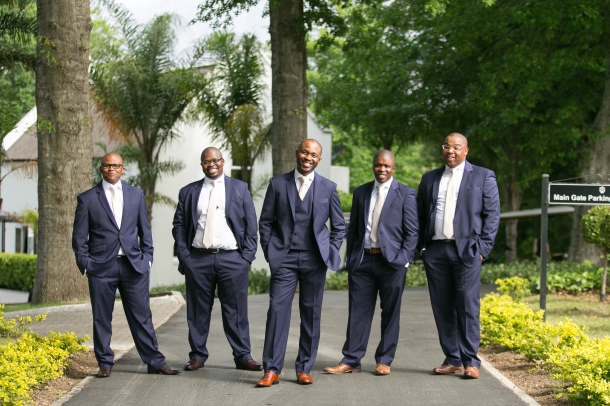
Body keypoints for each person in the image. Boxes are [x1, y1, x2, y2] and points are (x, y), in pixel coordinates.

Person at [72, 153, 180, 378]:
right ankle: (104, 362)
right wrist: (87, 264)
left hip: (133, 266)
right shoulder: (88, 199)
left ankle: (155, 361)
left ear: (123, 169)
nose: (111, 169)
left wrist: (147, 257)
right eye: (107, 166)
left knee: (142, 315)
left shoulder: (135, 194)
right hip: (101, 268)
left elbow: (144, 230)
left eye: (116, 166)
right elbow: (79, 239)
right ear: (101, 169)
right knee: (102, 316)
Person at [256, 139, 346, 387]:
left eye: (314, 154)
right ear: (297, 153)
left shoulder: (328, 187)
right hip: (284, 259)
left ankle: (304, 367)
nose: (308, 157)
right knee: (277, 312)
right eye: (305, 152)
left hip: (314, 260)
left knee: (311, 314)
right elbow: (265, 222)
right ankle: (272, 370)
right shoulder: (277, 184)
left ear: (319, 159)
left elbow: (339, 226)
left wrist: (330, 250)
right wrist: (269, 250)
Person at [324, 150, 418, 376]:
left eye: (386, 166)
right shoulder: (361, 192)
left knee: (390, 313)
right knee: (358, 312)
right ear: (373, 166)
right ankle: (351, 360)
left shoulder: (405, 193)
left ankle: (384, 360)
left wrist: (404, 260)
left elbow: (412, 232)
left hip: (392, 264)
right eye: (378, 165)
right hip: (363, 261)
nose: (382, 169)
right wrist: (352, 258)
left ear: (393, 168)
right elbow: (354, 228)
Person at [416, 133, 500, 379]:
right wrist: (422, 248)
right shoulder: (429, 178)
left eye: (455, 147)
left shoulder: (483, 176)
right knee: (442, 307)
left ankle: (471, 361)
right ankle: (452, 359)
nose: (450, 151)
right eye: (446, 146)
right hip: (436, 251)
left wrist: (482, 248)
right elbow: (420, 215)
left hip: (468, 251)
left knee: (467, 306)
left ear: (465, 150)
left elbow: (492, 215)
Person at [172, 147, 262, 372]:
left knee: (236, 311)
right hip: (198, 259)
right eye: (206, 161)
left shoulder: (239, 188)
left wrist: (247, 258)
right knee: (197, 311)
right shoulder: (189, 192)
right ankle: (197, 356)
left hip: (232, 259)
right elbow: (179, 226)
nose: (211, 164)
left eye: (215, 160)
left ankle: (243, 356)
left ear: (223, 162)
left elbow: (251, 225)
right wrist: (185, 257)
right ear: (202, 165)